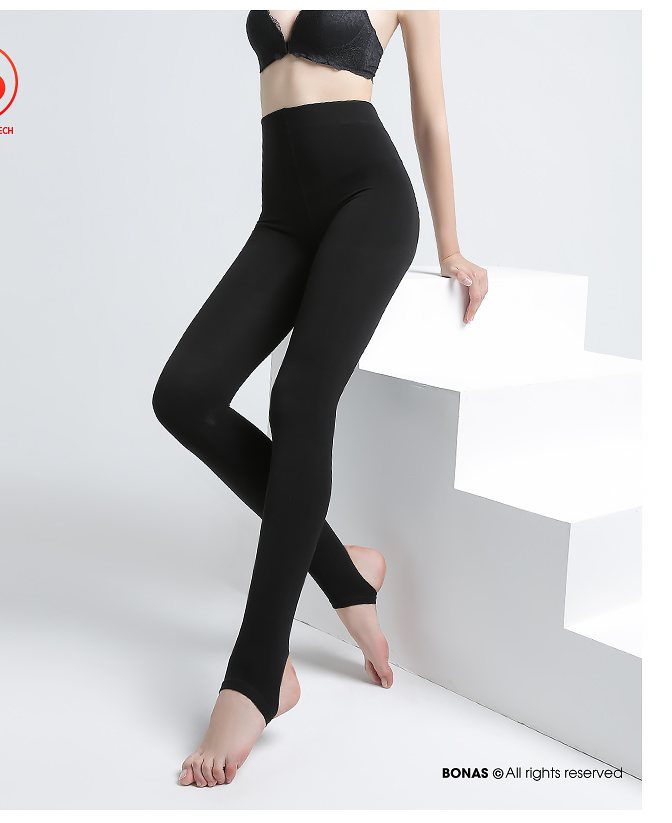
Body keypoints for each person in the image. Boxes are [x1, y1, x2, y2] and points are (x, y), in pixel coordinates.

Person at [152, 9, 488, 788]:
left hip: (369, 199)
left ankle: (259, 670)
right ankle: (344, 571)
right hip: (283, 214)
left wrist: (451, 246)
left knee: (301, 398)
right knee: (185, 395)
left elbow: (430, 114)